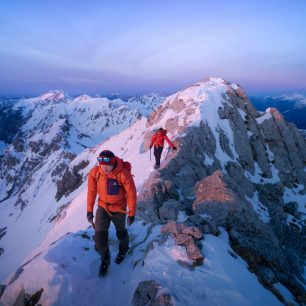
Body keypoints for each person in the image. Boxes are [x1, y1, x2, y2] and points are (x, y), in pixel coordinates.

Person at [87, 150, 137, 276]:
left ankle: (123, 250)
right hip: (102, 207)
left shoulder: (123, 174)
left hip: (119, 209)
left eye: (108, 166)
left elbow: (131, 194)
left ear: (113, 163)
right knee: (99, 237)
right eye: (102, 166)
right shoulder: (95, 173)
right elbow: (91, 192)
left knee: (121, 232)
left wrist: (131, 213)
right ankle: (105, 258)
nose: (105, 169)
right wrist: (89, 210)